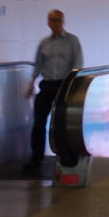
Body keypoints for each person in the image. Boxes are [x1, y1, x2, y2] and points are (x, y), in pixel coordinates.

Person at [24, 9, 83, 171]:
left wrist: (72, 86)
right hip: (47, 84)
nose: (55, 23)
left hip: (64, 85)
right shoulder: (44, 43)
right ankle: (36, 158)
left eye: (58, 20)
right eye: (52, 20)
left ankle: (64, 156)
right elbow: (38, 64)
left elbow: (77, 64)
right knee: (39, 123)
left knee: (61, 123)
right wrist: (32, 82)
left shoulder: (72, 41)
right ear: (48, 23)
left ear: (63, 22)